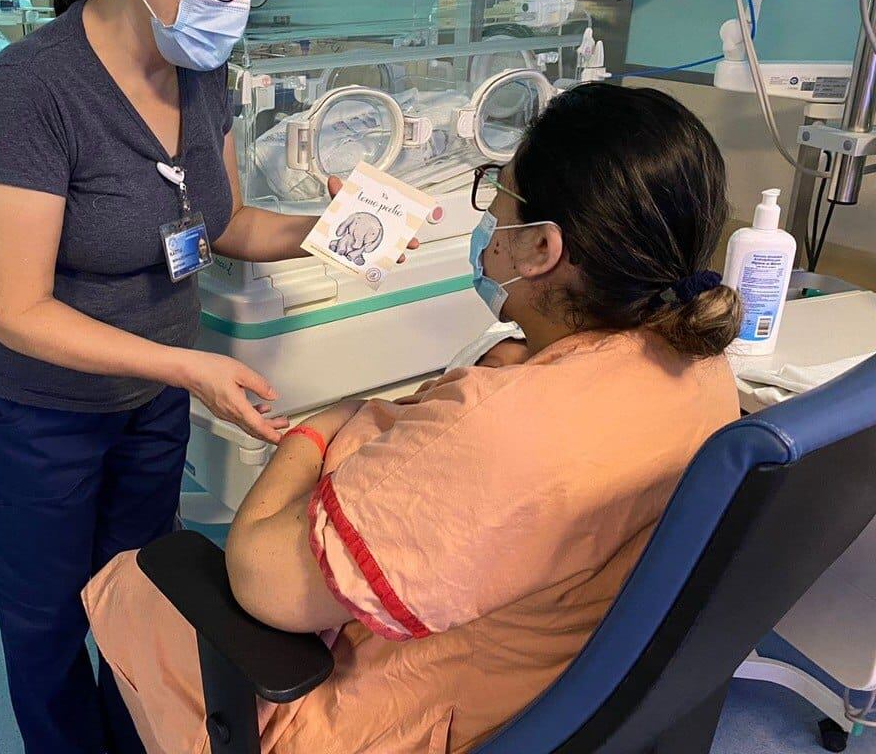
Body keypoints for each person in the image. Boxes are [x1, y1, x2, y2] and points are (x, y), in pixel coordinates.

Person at [83, 83, 743, 754]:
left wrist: (322, 426)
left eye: (498, 196)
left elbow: (264, 584)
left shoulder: (497, 426)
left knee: (133, 585)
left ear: (541, 248)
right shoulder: (703, 371)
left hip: (411, 715)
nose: (489, 218)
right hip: (565, 683)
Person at [0, 0, 428, 754]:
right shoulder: (32, 92)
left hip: (151, 396)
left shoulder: (201, 72)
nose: (236, 0)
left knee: (141, 590)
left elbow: (221, 223)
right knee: (47, 620)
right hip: (38, 407)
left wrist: (326, 226)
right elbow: (18, 311)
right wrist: (188, 367)